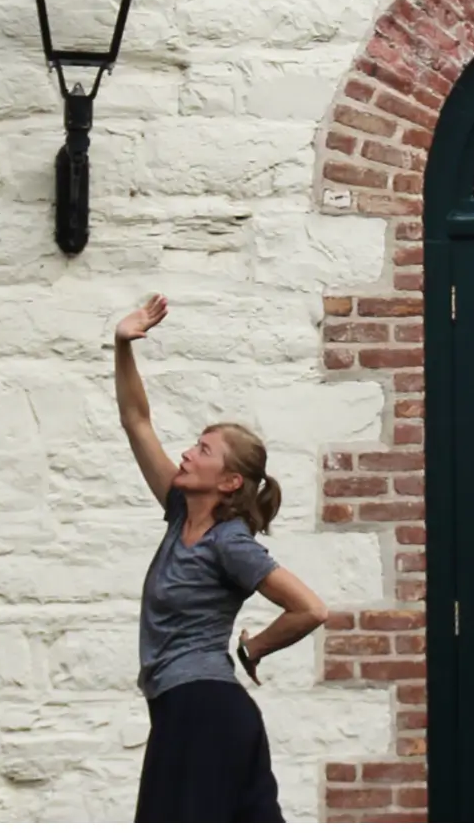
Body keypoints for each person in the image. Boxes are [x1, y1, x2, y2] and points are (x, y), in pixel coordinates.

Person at [114, 293, 329, 822]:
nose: (187, 453)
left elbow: (310, 608)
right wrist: (123, 345)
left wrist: (254, 649)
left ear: (229, 481)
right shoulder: (178, 511)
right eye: (193, 444)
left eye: (203, 450)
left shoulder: (228, 543)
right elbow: (137, 420)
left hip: (202, 712)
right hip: (193, 713)